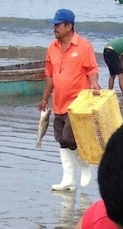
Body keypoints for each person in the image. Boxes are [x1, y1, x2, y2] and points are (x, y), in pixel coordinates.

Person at [39, 8, 100, 192]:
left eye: (57, 25)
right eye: (54, 25)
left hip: (78, 103)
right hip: (58, 101)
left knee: (69, 137)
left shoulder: (84, 46)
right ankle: (68, 180)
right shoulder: (52, 48)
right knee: (61, 140)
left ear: (69, 26)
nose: (54, 28)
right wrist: (44, 98)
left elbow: (92, 69)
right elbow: (50, 76)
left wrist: (95, 84)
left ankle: (85, 164)